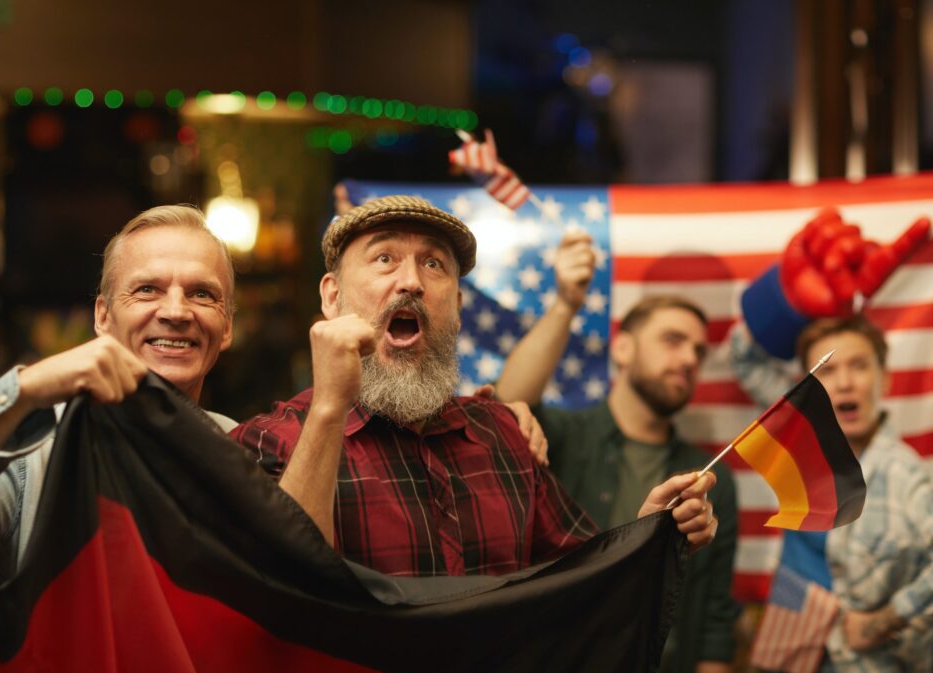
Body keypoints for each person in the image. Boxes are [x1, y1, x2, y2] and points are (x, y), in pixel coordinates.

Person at [231, 195, 718, 577]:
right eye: (384, 258)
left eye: (434, 264)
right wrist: (329, 409)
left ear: (459, 307)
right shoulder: (267, 442)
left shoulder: (505, 436)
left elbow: (583, 585)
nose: (412, 282)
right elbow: (276, 594)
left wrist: (651, 531)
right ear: (332, 297)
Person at [0, 205, 236, 582]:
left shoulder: (245, 453)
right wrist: (24, 391)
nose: (177, 311)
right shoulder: (33, 462)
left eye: (201, 294)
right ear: (103, 317)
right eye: (147, 289)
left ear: (226, 325)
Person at [494, 230, 738, 673]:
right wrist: (567, 303)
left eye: (698, 351)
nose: (689, 358)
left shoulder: (710, 477)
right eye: (672, 340)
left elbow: (714, 622)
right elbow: (506, 404)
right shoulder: (562, 436)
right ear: (623, 347)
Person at [733, 316, 933, 673]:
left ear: (884, 379)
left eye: (859, 366)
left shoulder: (905, 477)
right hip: (787, 655)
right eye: (828, 369)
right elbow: (743, 354)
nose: (843, 383)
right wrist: (795, 296)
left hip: (857, 669)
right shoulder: (795, 433)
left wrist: (884, 620)